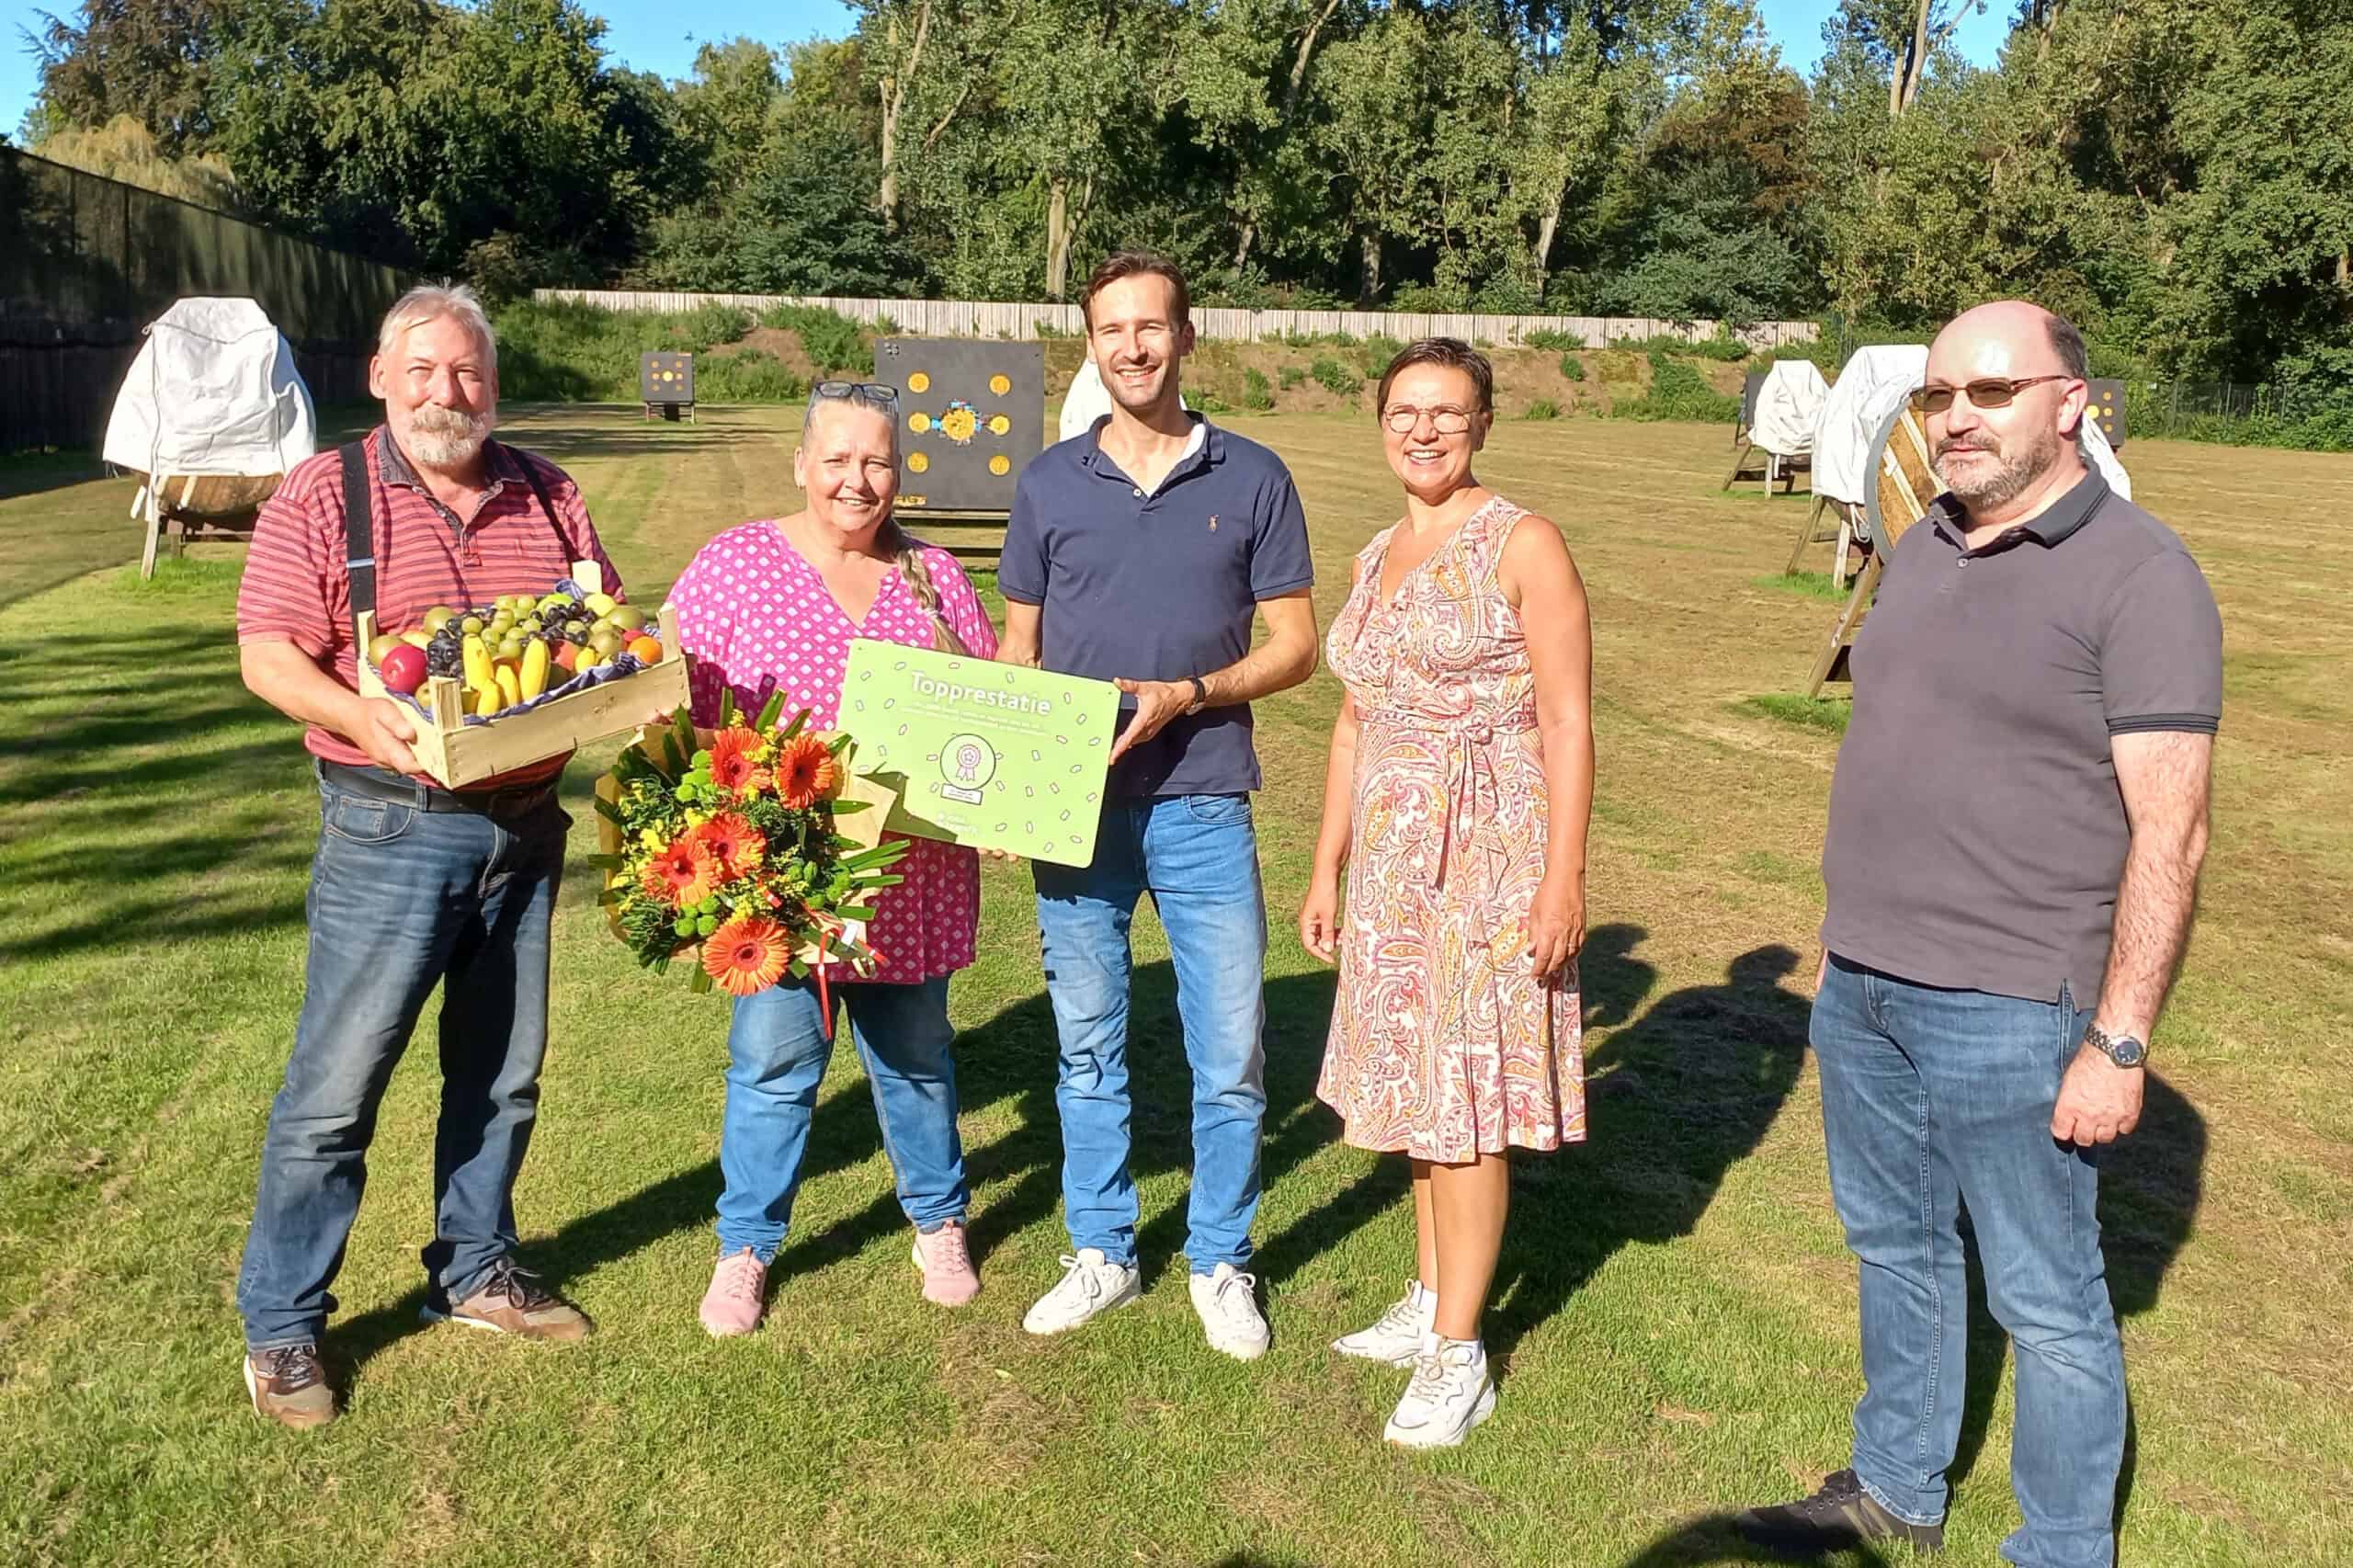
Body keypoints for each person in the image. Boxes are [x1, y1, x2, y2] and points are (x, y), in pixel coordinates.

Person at [1735, 301, 2221, 1565]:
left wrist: (2118, 1041)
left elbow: (2171, 832)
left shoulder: (2141, 574)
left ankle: (2061, 1546)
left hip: (2017, 1006)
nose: (1956, 413)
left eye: (1991, 390)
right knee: (1895, 1248)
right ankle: (1898, 1484)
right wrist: (1844, 953)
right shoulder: (1924, 545)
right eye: (1939, 392)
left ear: (2073, 402)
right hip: (1864, 986)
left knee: (2048, 1300)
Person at [233, 283, 622, 1428]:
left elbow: (599, 623)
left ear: (491, 384)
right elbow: (268, 652)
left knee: (501, 1070)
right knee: (337, 1087)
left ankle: (475, 1266)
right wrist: (364, 715)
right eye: (424, 372)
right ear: (379, 377)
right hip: (389, 823)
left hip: (526, 820)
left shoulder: (548, 491)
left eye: (467, 373)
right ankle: (283, 1322)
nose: (447, 393)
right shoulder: (325, 494)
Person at [996, 252, 1319, 1359]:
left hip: (1204, 801)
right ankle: (1102, 1248)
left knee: (1229, 1050)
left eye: (1150, 326)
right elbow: (1018, 651)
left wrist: (1195, 692)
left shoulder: (1254, 475)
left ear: (1186, 336)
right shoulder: (1044, 484)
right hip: (1074, 811)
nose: (1131, 346)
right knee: (1087, 1046)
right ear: (1088, 342)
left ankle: (1219, 1255)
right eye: (1110, 329)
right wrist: (998, 773)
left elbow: (1295, 646)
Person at [1300, 338, 1593, 1448]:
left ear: (1481, 425)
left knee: (1466, 1097)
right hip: (1389, 861)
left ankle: (1460, 1351)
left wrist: (1560, 877)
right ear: (1380, 419)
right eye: (1406, 410)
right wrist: (1326, 862)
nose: (1424, 429)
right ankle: (1429, 1298)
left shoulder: (1523, 542)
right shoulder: (1379, 551)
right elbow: (1353, 718)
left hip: (1487, 858)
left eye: (1448, 412)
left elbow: (1567, 720)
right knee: (1417, 1083)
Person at [666, 381, 999, 1335]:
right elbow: (672, 693)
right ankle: (746, 1245)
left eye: (878, 462)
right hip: (779, 883)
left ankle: (938, 1220)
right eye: (840, 460)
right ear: (802, 464)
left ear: (900, 470)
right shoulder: (735, 565)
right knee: (773, 1061)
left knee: (917, 1056)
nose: (859, 481)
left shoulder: (935, 576)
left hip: (905, 878)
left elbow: (984, 712)